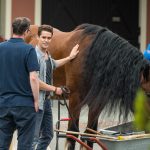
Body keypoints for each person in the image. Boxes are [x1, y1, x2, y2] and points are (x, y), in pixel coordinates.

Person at [32, 25, 79, 150]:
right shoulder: (34, 56)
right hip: (36, 101)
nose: (46, 40)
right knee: (34, 138)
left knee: (48, 135)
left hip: (46, 101)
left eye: (49, 38)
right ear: (38, 37)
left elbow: (54, 63)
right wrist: (55, 89)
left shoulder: (46, 55)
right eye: (43, 37)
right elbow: (36, 81)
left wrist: (70, 57)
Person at [0, 17, 39, 150]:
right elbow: (33, 78)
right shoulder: (29, 50)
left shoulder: (1, 48)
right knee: (24, 144)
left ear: (13, 29)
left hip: (4, 103)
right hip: (25, 105)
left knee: (2, 144)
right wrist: (36, 100)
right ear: (27, 31)